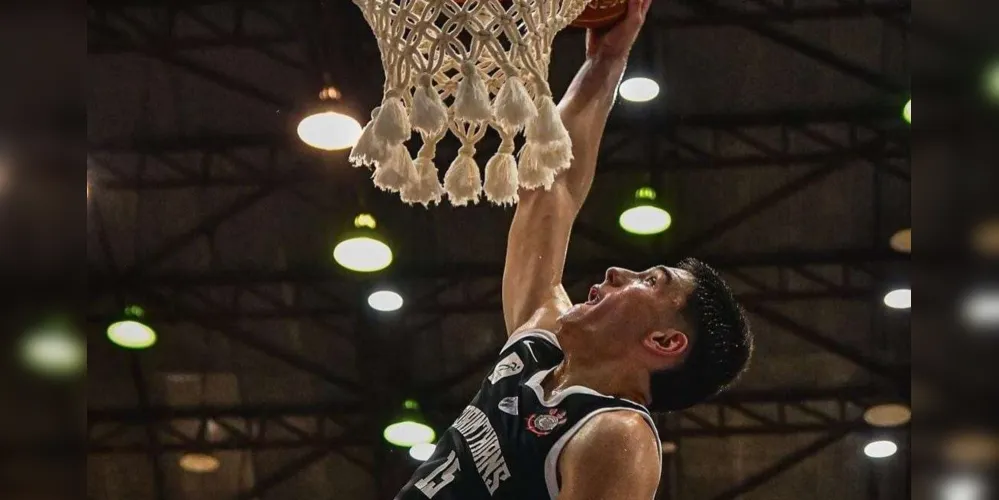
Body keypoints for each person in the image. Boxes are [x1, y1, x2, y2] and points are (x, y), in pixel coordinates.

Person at [396, 0, 753, 498]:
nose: (615, 271)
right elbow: (550, 188)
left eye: (649, 281)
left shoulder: (616, 435)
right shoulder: (539, 342)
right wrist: (605, 63)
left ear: (666, 342)